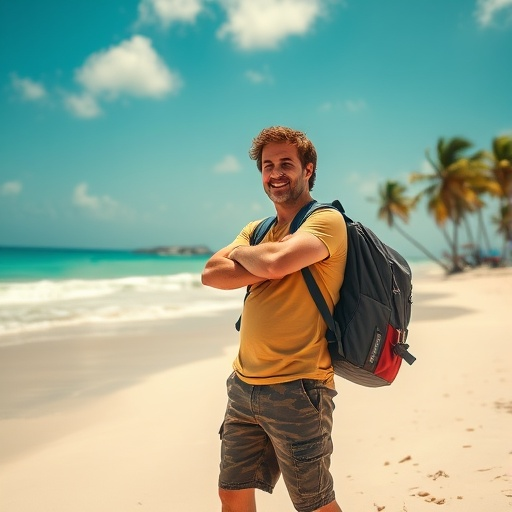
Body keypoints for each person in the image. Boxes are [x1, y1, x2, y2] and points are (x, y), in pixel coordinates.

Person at [202, 126, 348, 512]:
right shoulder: (258, 228)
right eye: (268, 166)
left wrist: (253, 258)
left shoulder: (327, 221)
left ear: (308, 169)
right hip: (243, 385)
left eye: (286, 163)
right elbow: (211, 273)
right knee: (231, 493)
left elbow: (276, 262)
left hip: (298, 388)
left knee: (314, 503)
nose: (276, 173)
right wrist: (264, 262)